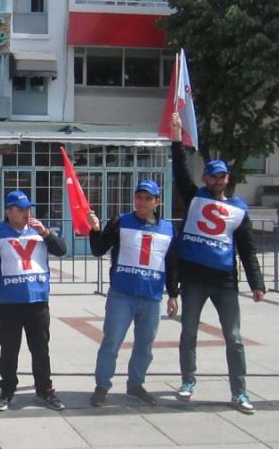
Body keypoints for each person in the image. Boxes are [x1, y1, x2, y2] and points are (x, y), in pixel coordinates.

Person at [170, 113, 265, 414]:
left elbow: (247, 249)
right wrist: (176, 139)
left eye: (222, 176)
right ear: (206, 179)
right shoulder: (195, 196)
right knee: (188, 331)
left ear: (227, 179)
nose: (217, 180)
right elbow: (180, 172)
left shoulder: (238, 209)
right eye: (212, 176)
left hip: (224, 280)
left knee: (234, 337)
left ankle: (239, 391)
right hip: (194, 279)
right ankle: (188, 380)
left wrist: (257, 283)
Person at [88, 180, 179, 407]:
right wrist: (95, 229)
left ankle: (136, 384)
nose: (142, 202)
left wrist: (174, 294)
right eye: (139, 197)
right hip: (122, 294)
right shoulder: (121, 221)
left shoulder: (168, 229)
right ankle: (102, 386)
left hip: (151, 296)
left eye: (148, 198)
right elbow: (99, 249)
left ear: (157, 201)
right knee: (112, 342)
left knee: (145, 345)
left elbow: (172, 263)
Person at [0, 190, 67, 412]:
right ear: (9, 211)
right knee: (9, 349)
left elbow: (61, 250)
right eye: (21, 209)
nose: (27, 212)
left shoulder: (39, 231)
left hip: (37, 300)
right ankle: (7, 391)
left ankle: (45, 390)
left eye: (28, 207)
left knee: (40, 348)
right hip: (8, 302)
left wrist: (46, 233)